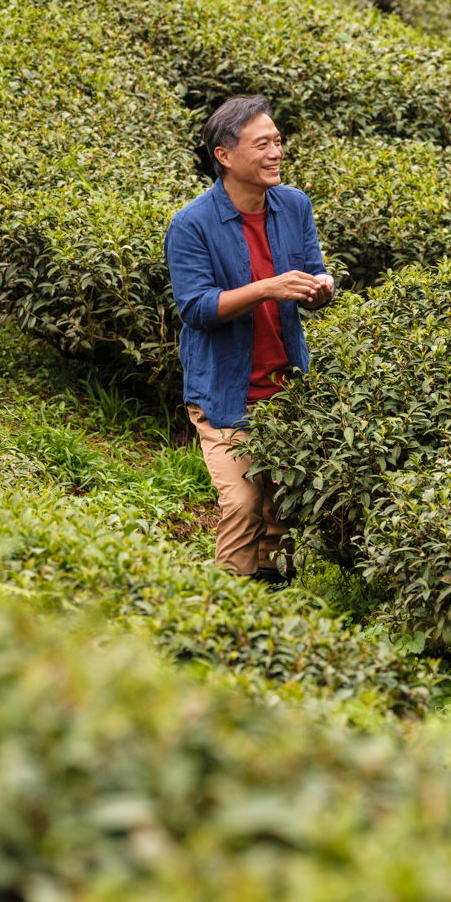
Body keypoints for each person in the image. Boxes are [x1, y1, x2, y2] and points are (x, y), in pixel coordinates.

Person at [165, 96, 335, 583]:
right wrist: (268, 287)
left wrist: (319, 289)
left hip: (286, 387)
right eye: (262, 144)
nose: (276, 152)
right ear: (225, 155)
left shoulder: (293, 205)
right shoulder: (192, 223)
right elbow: (196, 309)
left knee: (282, 505)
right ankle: (226, 608)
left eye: (278, 141)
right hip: (225, 390)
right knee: (241, 503)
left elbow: (315, 271)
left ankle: (273, 598)